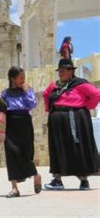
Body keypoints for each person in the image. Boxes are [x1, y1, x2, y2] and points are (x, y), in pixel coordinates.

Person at [42, 58, 100, 190]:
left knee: (77, 148)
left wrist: (86, 106)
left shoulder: (80, 84)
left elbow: (97, 94)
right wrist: (49, 109)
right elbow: (46, 95)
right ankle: (57, 180)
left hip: (74, 119)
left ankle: (84, 181)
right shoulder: (54, 85)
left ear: (70, 71)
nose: (60, 73)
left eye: (63, 71)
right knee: (58, 149)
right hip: (57, 121)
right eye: (59, 71)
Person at [0, 66, 42, 198]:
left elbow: (32, 105)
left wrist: (25, 92)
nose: (23, 80)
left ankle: (36, 176)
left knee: (25, 154)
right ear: (12, 79)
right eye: (21, 78)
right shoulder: (5, 93)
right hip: (10, 124)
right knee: (11, 154)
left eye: (24, 77)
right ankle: (14, 188)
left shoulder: (28, 90)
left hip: (24, 123)